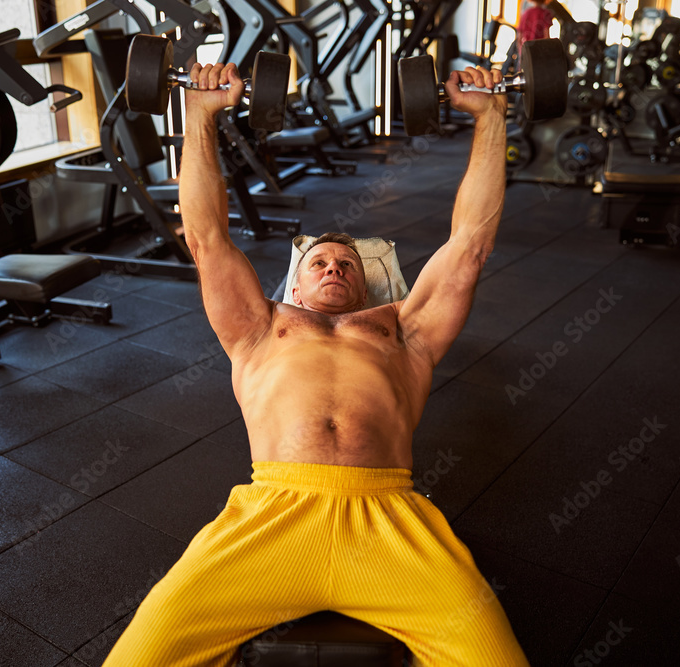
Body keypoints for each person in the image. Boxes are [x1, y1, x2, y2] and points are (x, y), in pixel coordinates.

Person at [101, 58, 530, 667]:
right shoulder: (259, 328)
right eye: (319, 263)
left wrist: (491, 117)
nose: (334, 268)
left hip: (392, 524)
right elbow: (206, 237)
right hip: (267, 519)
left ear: (367, 285)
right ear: (294, 288)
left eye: (347, 265)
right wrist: (199, 112)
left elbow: (469, 246)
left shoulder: (404, 330)